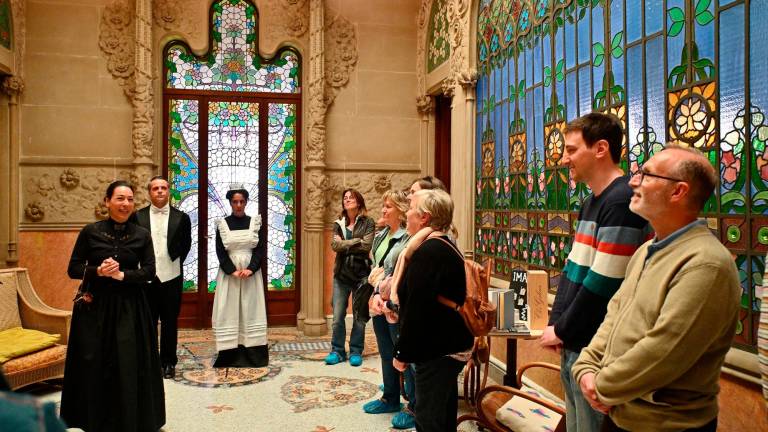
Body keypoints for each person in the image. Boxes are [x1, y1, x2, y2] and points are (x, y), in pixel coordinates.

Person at [572, 145, 740, 432]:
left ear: (678, 192)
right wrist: (585, 367)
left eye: (646, 175)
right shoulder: (646, 250)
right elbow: (614, 315)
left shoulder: (706, 263)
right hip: (620, 414)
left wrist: (601, 386)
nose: (633, 181)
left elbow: (664, 351)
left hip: (665, 425)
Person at [538, 112, 650, 432]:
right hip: (576, 341)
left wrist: (562, 330)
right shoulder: (591, 201)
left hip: (598, 348)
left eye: (572, 150)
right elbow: (574, 267)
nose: (564, 158)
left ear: (600, 148)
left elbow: (603, 283)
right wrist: (557, 324)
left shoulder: (621, 200)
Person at [61, 180, 164, 432]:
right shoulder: (90, 231)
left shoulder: (142, 235)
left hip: (131, 308)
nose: (125, 204)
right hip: (94, 308)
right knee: (95, 363)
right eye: (119, 198)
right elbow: (73, 269)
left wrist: (122, 276)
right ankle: (94, 420)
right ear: (106, 201)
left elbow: (150, 271)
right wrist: (98, 271)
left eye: (130, 199)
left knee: (128, 363)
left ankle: (132, 420)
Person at [391, 189, 474, 432]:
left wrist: (402, 353)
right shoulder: (440, 245)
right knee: (442, 416)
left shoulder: (429, 252)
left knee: (428, 420)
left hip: (437, 350)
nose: (406, 214)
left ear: (424, 217)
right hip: (445, 347)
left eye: (410, 209)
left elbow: (418, 309)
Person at [363, 190, 413, 428]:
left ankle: (413, 406)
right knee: (385, 352)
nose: (383, 210)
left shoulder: (408, 238)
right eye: (383, 206)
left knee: (403, 353)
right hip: (379, 301)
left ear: (401, 210)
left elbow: (402, 272)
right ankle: (390, 398)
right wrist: (375, 294)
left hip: (396, 303)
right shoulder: (381, 235)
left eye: (388, 207)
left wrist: (386, 290)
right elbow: (376, 268)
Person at [133, 176, 192, 379]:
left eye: (163, 188)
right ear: (149, 192)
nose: (159, 191)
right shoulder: (137, 217)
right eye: (155, 188)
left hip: (172, 276)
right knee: (147, 321)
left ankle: (168, 362)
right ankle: (148, 362)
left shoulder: (182, 217)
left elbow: (186, 245)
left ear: (169, 191)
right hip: (145, 278)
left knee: (169, 322)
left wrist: (172, 263)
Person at [211, 185, 268, 367]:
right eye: (235, 202)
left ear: (246, 202)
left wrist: (251, 268)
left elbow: (260, 249)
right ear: (230, 202)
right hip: (230, 276)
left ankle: (253, 354)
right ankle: (229, 354)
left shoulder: (255, 223)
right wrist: (231, 270)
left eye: (241, 201)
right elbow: (220, 251)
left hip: (251, 275)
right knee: (229, 309)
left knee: (251, 309)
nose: (238, 205)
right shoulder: (222, 224)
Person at [326, 189, 376, 366]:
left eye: (351, 198)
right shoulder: (338, 223)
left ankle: (356, 351)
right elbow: (334, 245)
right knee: (338, 316)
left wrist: (345, 243)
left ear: (359, 202)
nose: (347, 200)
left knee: (358, 316)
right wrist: (356, 241)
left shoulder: (368, 222)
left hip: (361, 275)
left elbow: (367, 246)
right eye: (345, 198)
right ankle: (337, 351)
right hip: (341, 275)